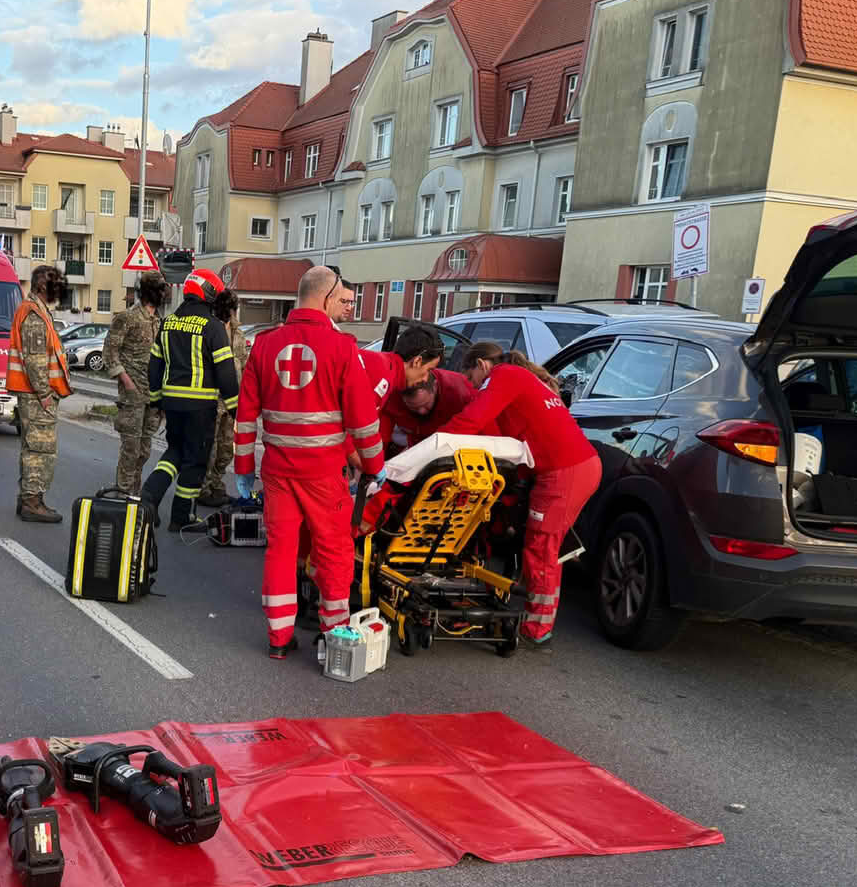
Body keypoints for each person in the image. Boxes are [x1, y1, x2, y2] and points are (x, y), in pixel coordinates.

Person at [234, 265, 384, 658]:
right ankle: (334, 635)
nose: (344, 306)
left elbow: (245, 417)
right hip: (323, 474)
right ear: (327, 297)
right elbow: (363, 419)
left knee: (281, 552)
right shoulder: (342, 348)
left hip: (278, 472)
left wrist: (244, 470)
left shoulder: (264, 345)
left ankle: (278, 638)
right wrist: (374, 464)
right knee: (333, 550)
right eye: (342, 299)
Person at [446, 341, 599, 649]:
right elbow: (498, 435)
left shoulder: (504, 376)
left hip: (562, 471)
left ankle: (538, 627)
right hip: (574, 467)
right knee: (547, 544)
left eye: (473, 379)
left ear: (482, 366)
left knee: (541, 547)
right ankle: (536, 609)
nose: (474, 388)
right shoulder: (522, 380)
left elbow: (473, 420)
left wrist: (437, 441)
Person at [142, 269, 240, 530]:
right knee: (195, 460)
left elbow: (154, 366)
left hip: (172, 404)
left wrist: (156, 400)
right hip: (200, 407)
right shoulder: (213, 327)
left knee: (174, 452)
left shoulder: (168, 323)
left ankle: (149, 496)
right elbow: (226, 373)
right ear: (209, 293)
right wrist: (234, 407)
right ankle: (181, 517)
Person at [6, 264, 70, 522]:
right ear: (44, 286)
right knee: (39, 449)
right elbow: (34, 360)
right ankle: (33, 502)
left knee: (33, 447)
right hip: (36, 395)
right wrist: (45, 393)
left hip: (34, 394)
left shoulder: (37, 311)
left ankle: (29, 499)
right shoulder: (33, 314)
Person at [362, 324, 476, 456]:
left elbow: (475, 424)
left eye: (426, 406)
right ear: (417, 361)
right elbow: (373, 435)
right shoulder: (387, 387)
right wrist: (374, 467)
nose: (421, 411)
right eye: (413, 408)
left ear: (435, 387)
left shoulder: (460, 391)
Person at [102, 271, 166, 493]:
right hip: (132, 395)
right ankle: (123, 492)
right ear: (149, 292)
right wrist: (125, 381)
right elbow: (109, 352)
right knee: (130, 448)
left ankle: (134, 493)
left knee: (144, 450)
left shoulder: (158, 320)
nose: (164, 294)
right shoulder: (127, 317)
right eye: (160, 289)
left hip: (153, 395)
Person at [199, 296, 250, 507]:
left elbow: (245, 362)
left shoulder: (238, 333)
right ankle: (204, 488)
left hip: (233, 399)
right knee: (209, 446)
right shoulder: (209, 329)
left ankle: (217, 484)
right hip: (211, 398)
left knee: (227, 447)